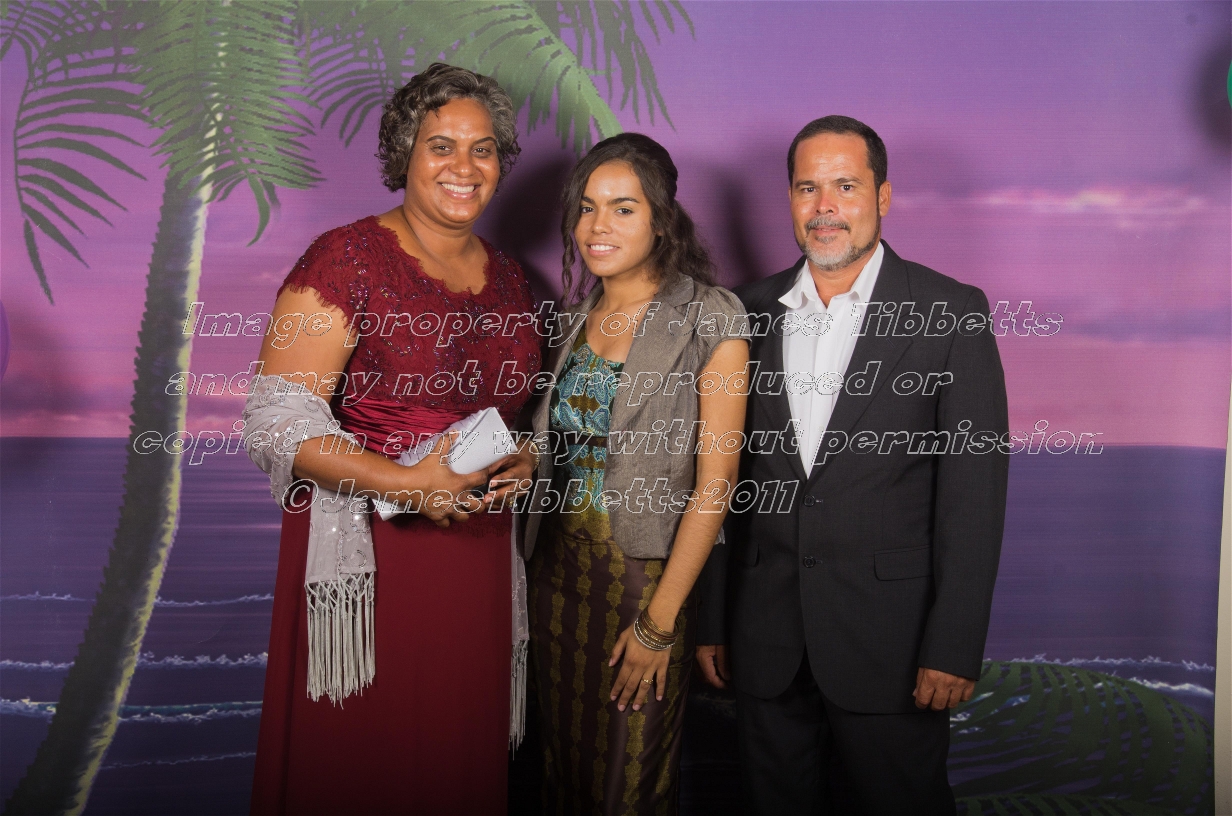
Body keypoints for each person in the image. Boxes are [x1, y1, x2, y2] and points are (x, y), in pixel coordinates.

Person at [243, 63, 541, 815]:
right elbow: (276, 419)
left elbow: (516, 414)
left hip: (477, 564)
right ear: (405, 153)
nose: (464, 166)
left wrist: (526, 457)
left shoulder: (512, 278)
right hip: (376, 557)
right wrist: (409, 484)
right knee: (366, 763)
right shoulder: (345, 258)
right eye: (442, 146)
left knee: (452, 763)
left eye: (483, 149)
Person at [695, 115, 1010, 815]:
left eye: (845, 185)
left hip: (892, 644)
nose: (825, 206)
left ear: (883, 196)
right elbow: (723, 481)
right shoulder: (745, 313)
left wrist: (954, 644)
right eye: (807, 188)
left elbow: (974, 497)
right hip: (764, 637)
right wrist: (713, 618)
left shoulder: (951, 313)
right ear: (789, 199)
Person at [521, 133, 750, 815]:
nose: (598, 225)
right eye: (587, 207)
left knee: (627, 782)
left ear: (661, 219)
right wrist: (523, 461)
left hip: (640, 583)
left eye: (623, 208)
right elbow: (563, 445)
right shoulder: (573, 320)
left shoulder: (710, 316)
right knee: (562, 771)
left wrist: (659, 623)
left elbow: (717, 483)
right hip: (552, 575)